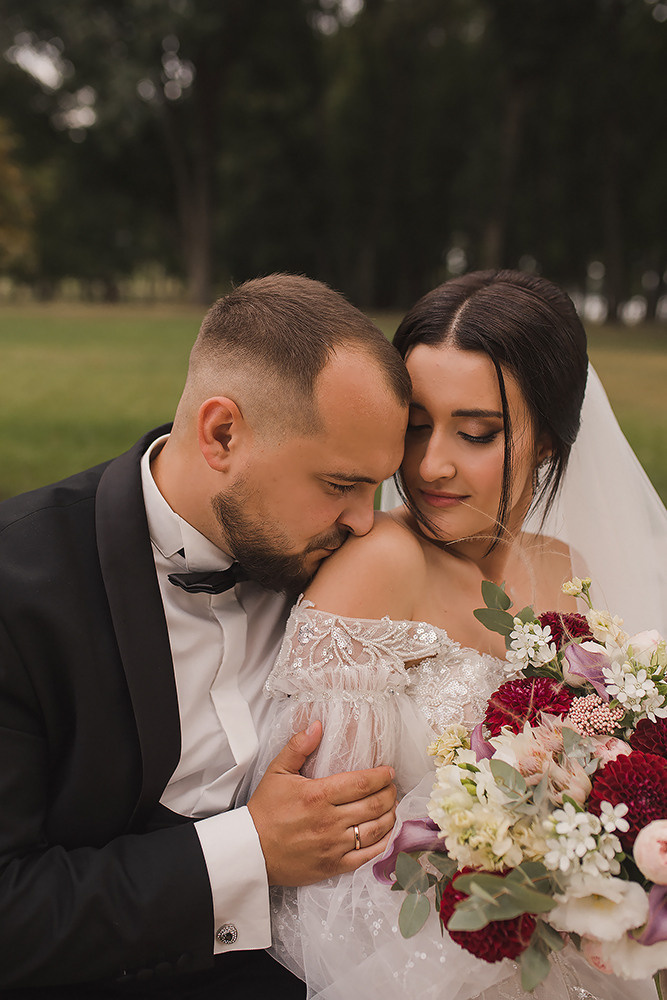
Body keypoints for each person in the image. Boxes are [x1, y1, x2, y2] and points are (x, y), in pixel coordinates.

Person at [247, 270, 667, 999]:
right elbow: (325, 876)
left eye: (476, 433)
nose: (429, 465)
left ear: (548, 441)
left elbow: (602, 739)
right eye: (414, 426)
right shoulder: (376, 566)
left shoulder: (566, 568)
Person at [0, 274, 412, 997]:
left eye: (377, 486)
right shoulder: (19, 592)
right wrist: (248, 850)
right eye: (339, 484)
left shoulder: (345, 569)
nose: (364, 521)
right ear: (222, 434)